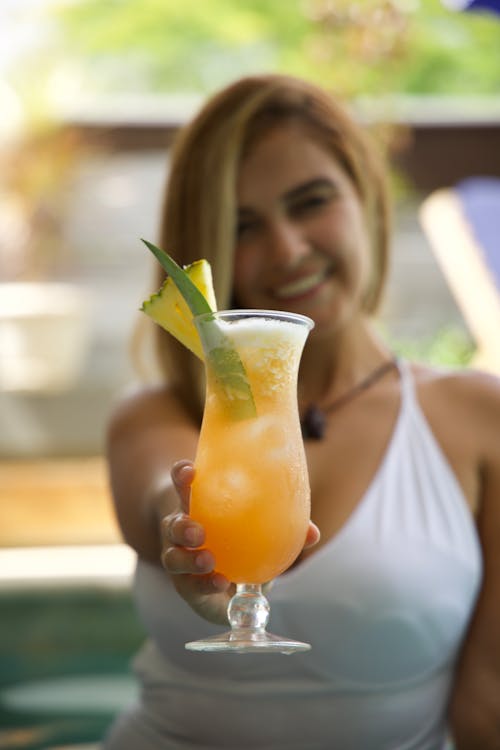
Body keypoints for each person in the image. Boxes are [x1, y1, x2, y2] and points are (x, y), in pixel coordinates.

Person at [104, 74, 500, 749]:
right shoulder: (154, 411)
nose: (287, 249)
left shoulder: (480, 418)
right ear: (208, 246)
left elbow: (488, 705)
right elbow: (155, 500)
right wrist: (189, 536)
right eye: (243, 225)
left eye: (310, 202)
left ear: (368, 199)